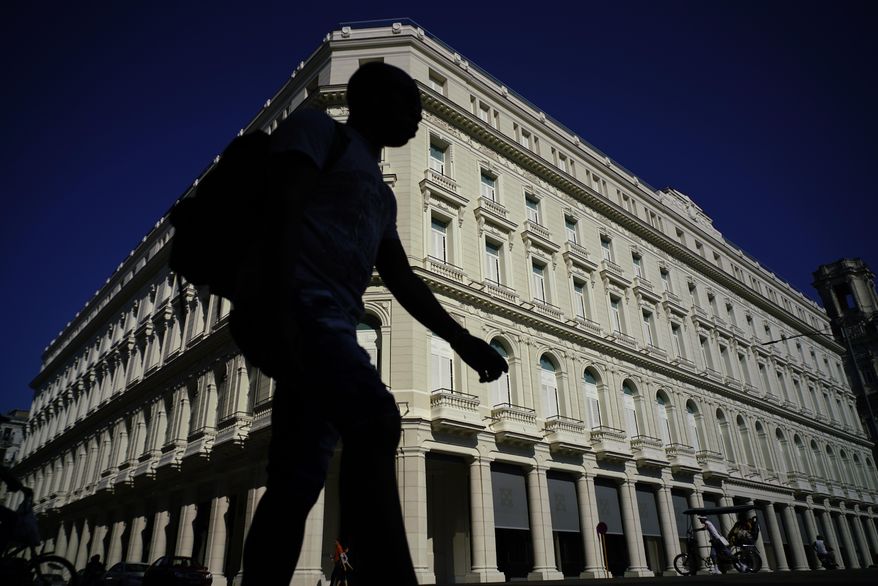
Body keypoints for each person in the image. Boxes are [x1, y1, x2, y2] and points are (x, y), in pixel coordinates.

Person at [240, 62, 509, 586]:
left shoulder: (382, 196)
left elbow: (402, 279)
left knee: (297, 478)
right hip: (300, 309)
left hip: (327, 323)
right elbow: (282, 210)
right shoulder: (319, 132)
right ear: (365, 100)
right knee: (378, 419)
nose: (416, 116)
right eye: (405, 102)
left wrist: (463, 341)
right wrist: (276, 308)